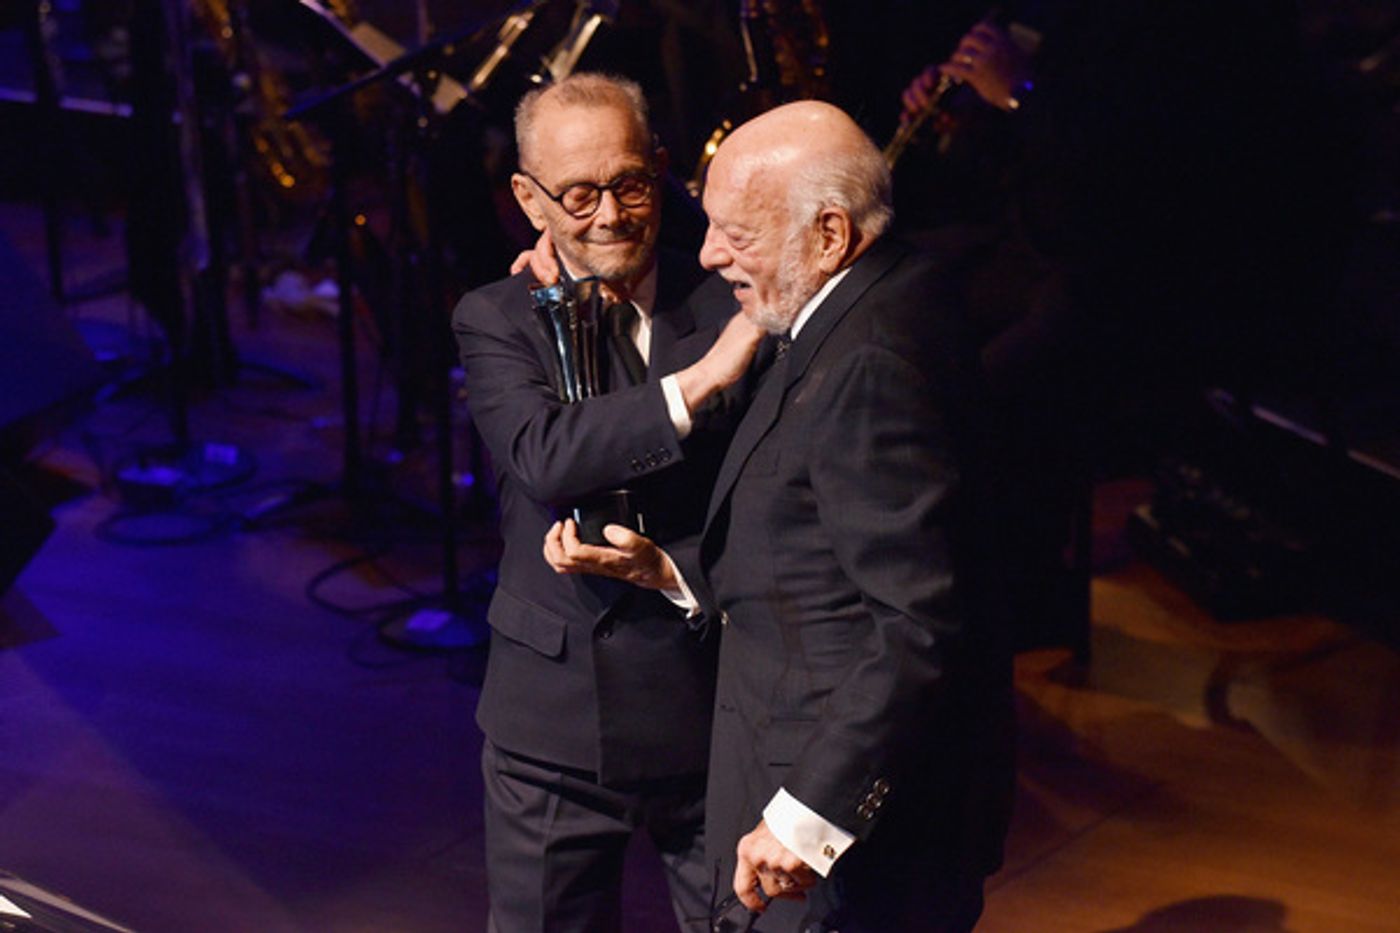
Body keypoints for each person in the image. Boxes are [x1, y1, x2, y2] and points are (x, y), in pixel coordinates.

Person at [546, 100, 1016, 932]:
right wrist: (674, 572)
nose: (708, 253)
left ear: (829, 234)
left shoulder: (869, 362)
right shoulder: (873, 300)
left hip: (844, 849)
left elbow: (919, 622)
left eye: (738, 233)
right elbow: (818, 550)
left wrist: (808, 818)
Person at [450, 72, 764, 932]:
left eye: (629, 184)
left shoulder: (734, 300)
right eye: (578, 195)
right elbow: (544, 457)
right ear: (529, 199)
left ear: (659, 170)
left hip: (711, 711)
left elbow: (781, 506)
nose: (611, 216)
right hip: (551, 730)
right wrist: (699, 382)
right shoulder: (499, 316)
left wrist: (679, 573)